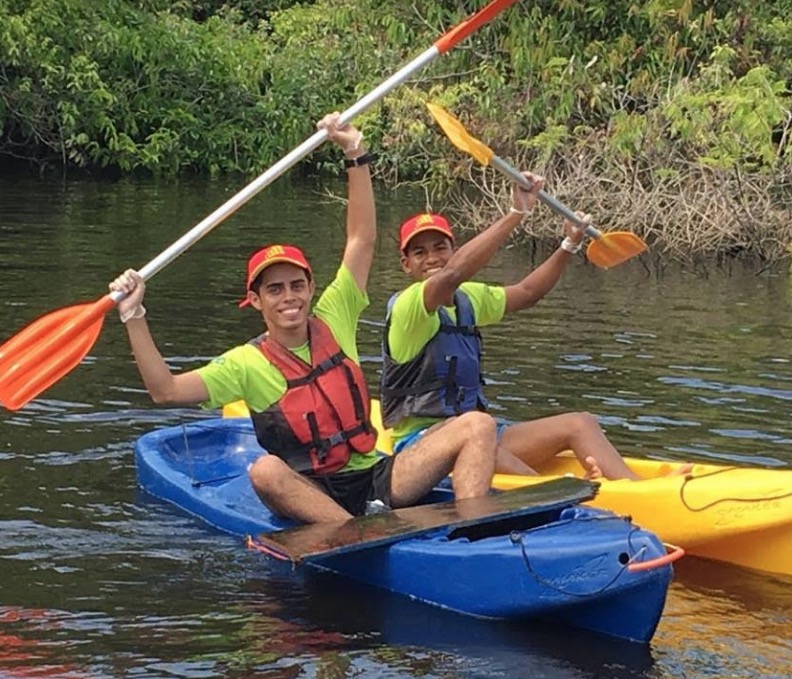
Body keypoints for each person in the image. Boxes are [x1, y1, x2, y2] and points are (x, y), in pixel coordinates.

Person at [109, 112, 497, 524]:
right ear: (255, 301)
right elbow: (164, 390)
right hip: (311, 490)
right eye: (274, 289)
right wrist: (134, 314)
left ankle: (469, 534)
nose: (289, 297)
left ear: (311, 289)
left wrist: (355, 153)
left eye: (297, 285)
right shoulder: (246, 363)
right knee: (264, 471)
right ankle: (352, 533)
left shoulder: (336, 314)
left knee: (477, 424)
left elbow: (361, 239)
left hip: (374, 479)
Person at [381, 174, 690, 481]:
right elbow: (450, 275)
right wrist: (517, 213)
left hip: (480, 432)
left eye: (440, 247)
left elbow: (529, 293)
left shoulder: (467, 299)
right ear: (406, 264)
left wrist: (569, 244)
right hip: (423, 445)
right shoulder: (409, 306)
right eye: (419, 252)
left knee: (579, 423)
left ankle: (633, 489)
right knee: (482, 446)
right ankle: (554, 492)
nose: (432, 258)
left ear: (452, 249)